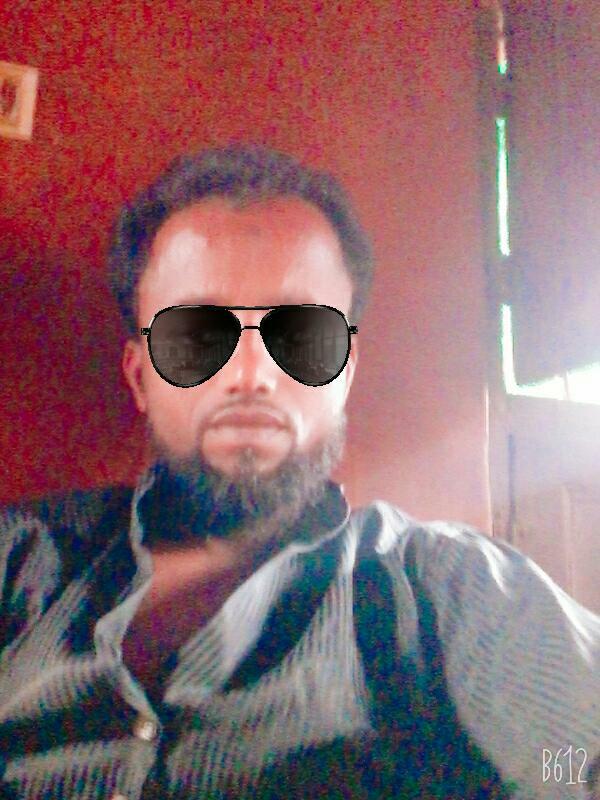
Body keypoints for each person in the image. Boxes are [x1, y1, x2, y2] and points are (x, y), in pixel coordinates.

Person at [0, 145, 598, 800]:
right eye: (195, 335)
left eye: (303, 336)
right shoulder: (18, 561)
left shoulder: (454, 591)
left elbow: (577, 764)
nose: (251, 374)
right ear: (140, 377)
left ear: (345, 373)